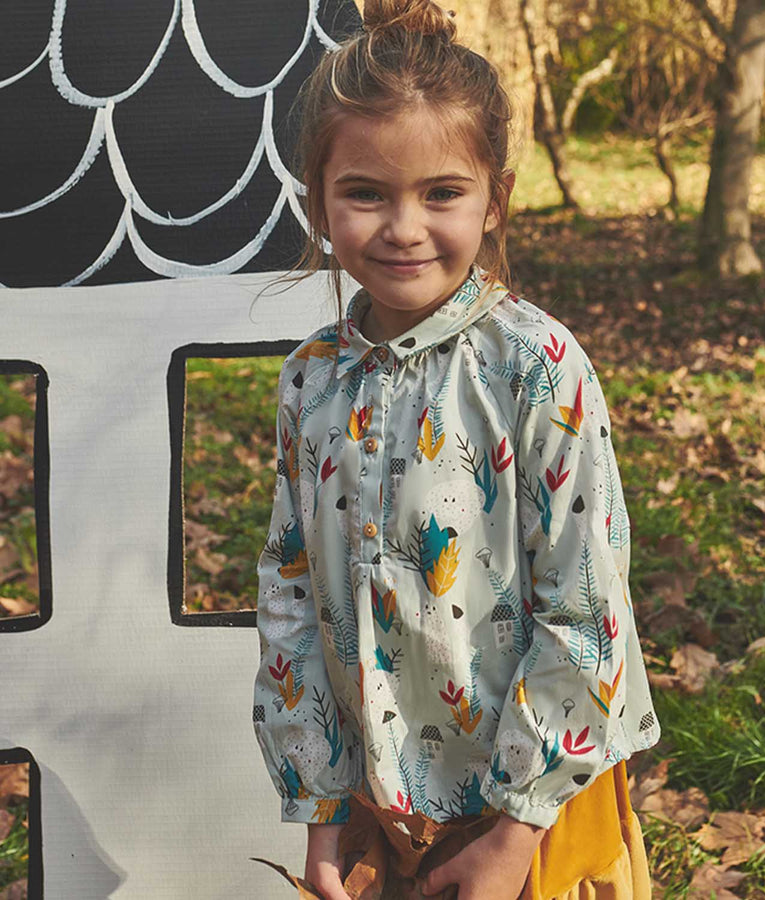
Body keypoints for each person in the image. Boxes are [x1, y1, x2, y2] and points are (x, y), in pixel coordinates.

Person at [252, 1, 660, 897]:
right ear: (319, 202)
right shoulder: (311, 381)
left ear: (494, 199)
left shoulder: (534, 367)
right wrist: (322, 806)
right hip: (384, 812)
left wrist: (515, 833)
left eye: (442, 193)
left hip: (536, 819)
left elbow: (588, 607)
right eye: (367, 193)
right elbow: (291, 599)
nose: (404, 227)